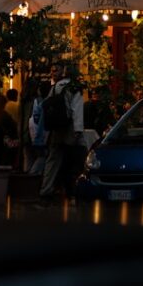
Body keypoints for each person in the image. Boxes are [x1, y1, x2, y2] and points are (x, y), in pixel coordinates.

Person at [40, 63, 85, 199]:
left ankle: (46, 189)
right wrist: (78, 129)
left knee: (53, 158)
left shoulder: (55, 88)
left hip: (57, 128)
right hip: (70, 128)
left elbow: (46, 106)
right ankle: (76, 189)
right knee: (79, 157)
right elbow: (76, 110)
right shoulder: (74, 88)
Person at [25, 79, 51, 175]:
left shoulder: (30, 101)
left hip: (30, 134)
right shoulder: (42, 102)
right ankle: (32, 176)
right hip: (39, 136)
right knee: (41, 157)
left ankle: (29, 180)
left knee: (30, 159)